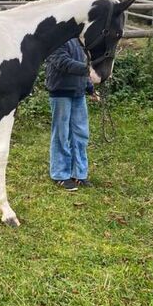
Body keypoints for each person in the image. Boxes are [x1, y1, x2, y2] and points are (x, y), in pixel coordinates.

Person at [45, 38, 99, 191]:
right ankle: (60, 175)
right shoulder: (57, 38)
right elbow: (62, 62)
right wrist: (88, 70)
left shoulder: (79, 41)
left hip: (78, 92)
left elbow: (83, 64)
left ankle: (79, 173)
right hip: (60, 91)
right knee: (61, 134)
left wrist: (90, 88)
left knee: (81, 134)